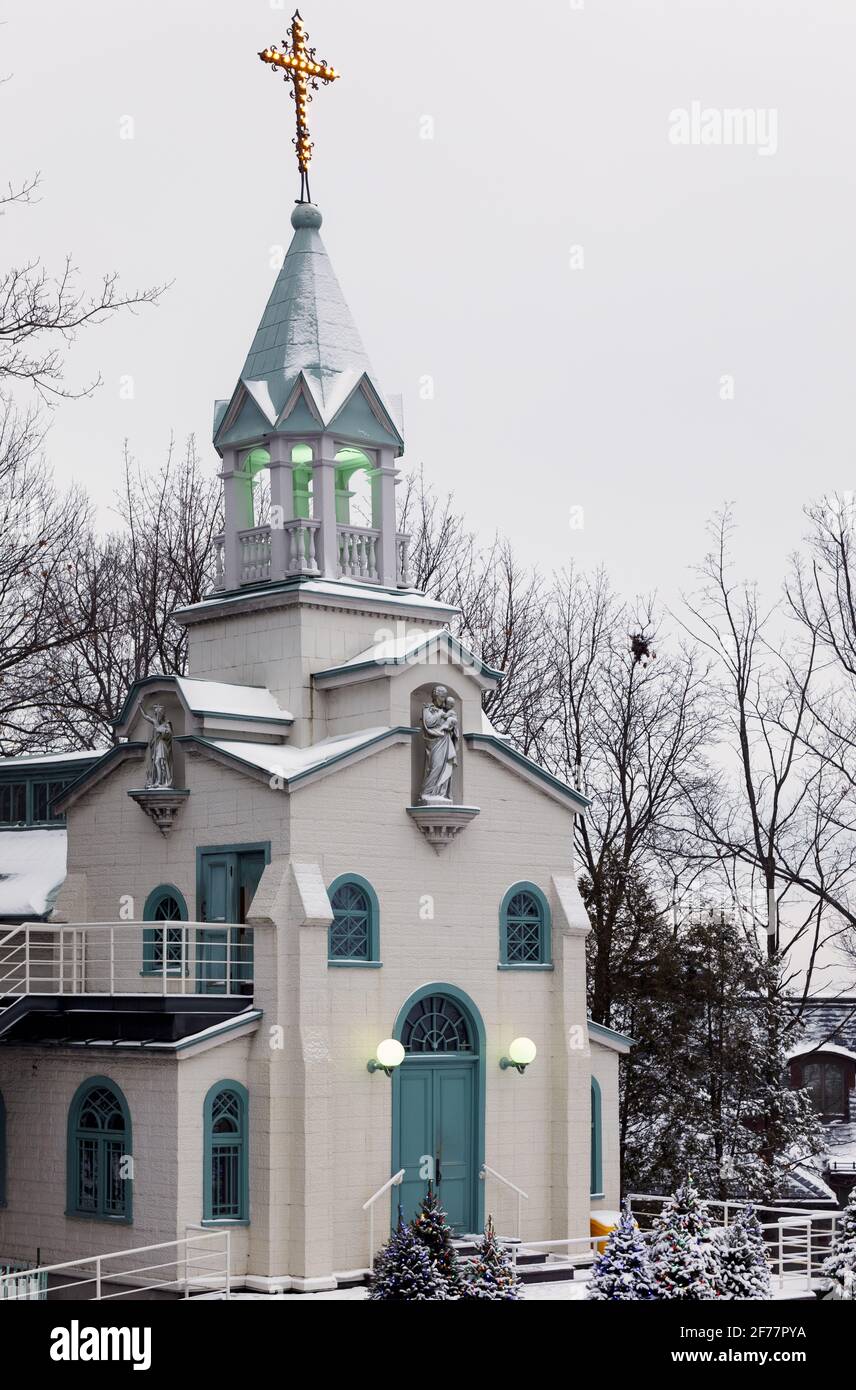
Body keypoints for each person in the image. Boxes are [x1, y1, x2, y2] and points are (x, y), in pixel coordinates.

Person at [419, 685, 458, 803]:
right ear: (435, 696)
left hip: (445, 741)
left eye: (445, 696)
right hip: (434, 742)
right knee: (435, 766)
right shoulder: (428, 709)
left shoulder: (447, 712)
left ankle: (441, 793)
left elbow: (453, 728)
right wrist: (441, 715)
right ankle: (427, 793)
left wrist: (451, 726)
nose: (444, 699)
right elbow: (429, 723)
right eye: (442, 696)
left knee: (445, 766)